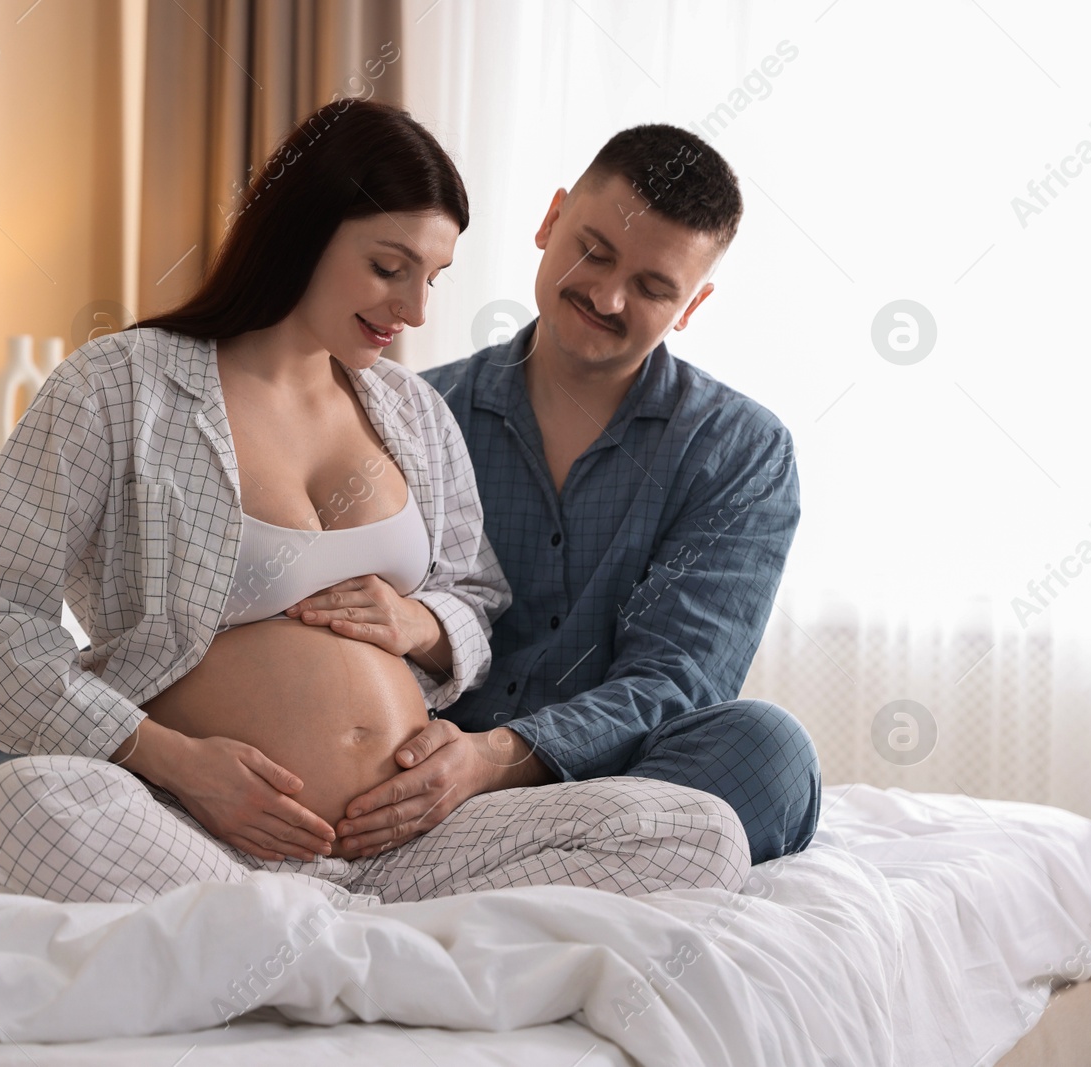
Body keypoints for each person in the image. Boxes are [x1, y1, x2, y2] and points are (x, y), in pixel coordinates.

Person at [0, 102, 752, 902]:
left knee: (700, 836)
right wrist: (180, 762)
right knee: (22, 799)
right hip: (195, 826)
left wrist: (426, 628)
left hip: (407, 844)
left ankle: (312, 935)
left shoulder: (411, 411)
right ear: (302, 230)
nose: (415, 312)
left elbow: (476, 597)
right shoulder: (124, 387)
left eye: (430, 278)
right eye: (389, 268)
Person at [333, 124, 822, 867]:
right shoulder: (411, 414)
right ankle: (549, 873)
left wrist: (496, 757)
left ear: (692, 305)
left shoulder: (742, 450)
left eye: (655, 287)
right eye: (594, 250)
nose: (607, 294)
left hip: (612, 780)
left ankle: (514, 869)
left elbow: (678, 679)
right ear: (551, 219)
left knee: (770, 751)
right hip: (421, 766)